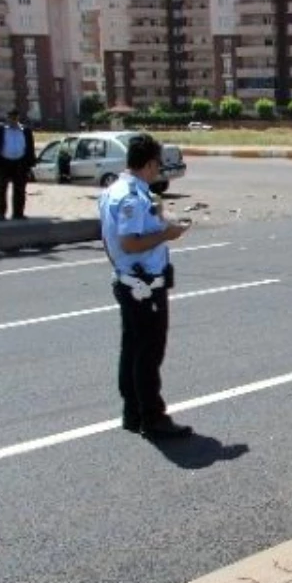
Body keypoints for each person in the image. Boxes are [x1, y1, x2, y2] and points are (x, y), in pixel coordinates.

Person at [99, 133, 193, 439]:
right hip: (143, 285)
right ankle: (152, 417)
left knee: (132, 348)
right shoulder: (132, 197)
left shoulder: (116, 189)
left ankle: (133, 412)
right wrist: (168, 235)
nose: (159, 171)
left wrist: (163, 218)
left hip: (128, 280)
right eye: (158, 165)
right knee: (149, 352)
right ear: (150, 163)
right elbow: (129, 242)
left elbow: (111, 238)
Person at [0, 108, 36, 221]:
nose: (13, 120)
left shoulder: (25, 130)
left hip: (20, 162)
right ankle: (1, 213)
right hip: (4, 162)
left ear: (18, 118)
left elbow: (30, 147)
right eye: (11, 117)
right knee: (2, 189)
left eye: (15, 117)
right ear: (7, 118)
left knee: (20, 189)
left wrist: (30, 164)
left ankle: (18, 213)